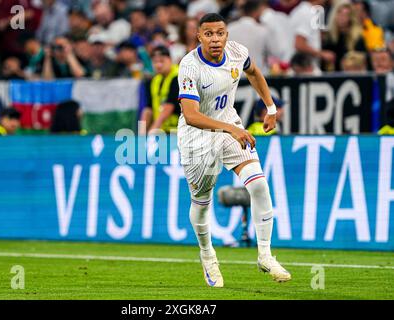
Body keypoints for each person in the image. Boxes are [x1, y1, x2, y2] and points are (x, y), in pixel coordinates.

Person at [177, 13, 291, 288]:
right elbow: (191, 115)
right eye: (209, 34)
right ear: (199, 36)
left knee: (259, 185)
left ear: (226, 35)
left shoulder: (238, 52)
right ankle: (207, 253)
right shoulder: (190, 66)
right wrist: (232, 129)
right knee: (201, 202)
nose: (215, 39)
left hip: (230, 126)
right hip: (197, 138)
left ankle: (265, 255)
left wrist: (271, 107)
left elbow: (253, 72)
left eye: (220, 33)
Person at [139, 46, 179, 134]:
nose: (158, 65)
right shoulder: (154, 80)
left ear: (170, 60)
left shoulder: (179, 77)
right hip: (162, 131)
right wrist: (141, 133)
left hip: (178, 131)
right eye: (155, 62)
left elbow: (169, 106)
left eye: (162, 61)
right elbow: (148, 109)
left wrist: (152, 130)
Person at [290, 0, 336, 73]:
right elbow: (299, 44)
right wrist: (323, 54)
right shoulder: (307, 13)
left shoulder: (304, 10)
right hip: (304, 68)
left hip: (304, 66)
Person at [322, 0, 366, 72]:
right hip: (333, 74)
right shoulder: (329, 37)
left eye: (346, 15)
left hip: (352, 73)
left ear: (351, 17)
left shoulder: (358, 37)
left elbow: (362, 60)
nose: (342, 17)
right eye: (339, 13)